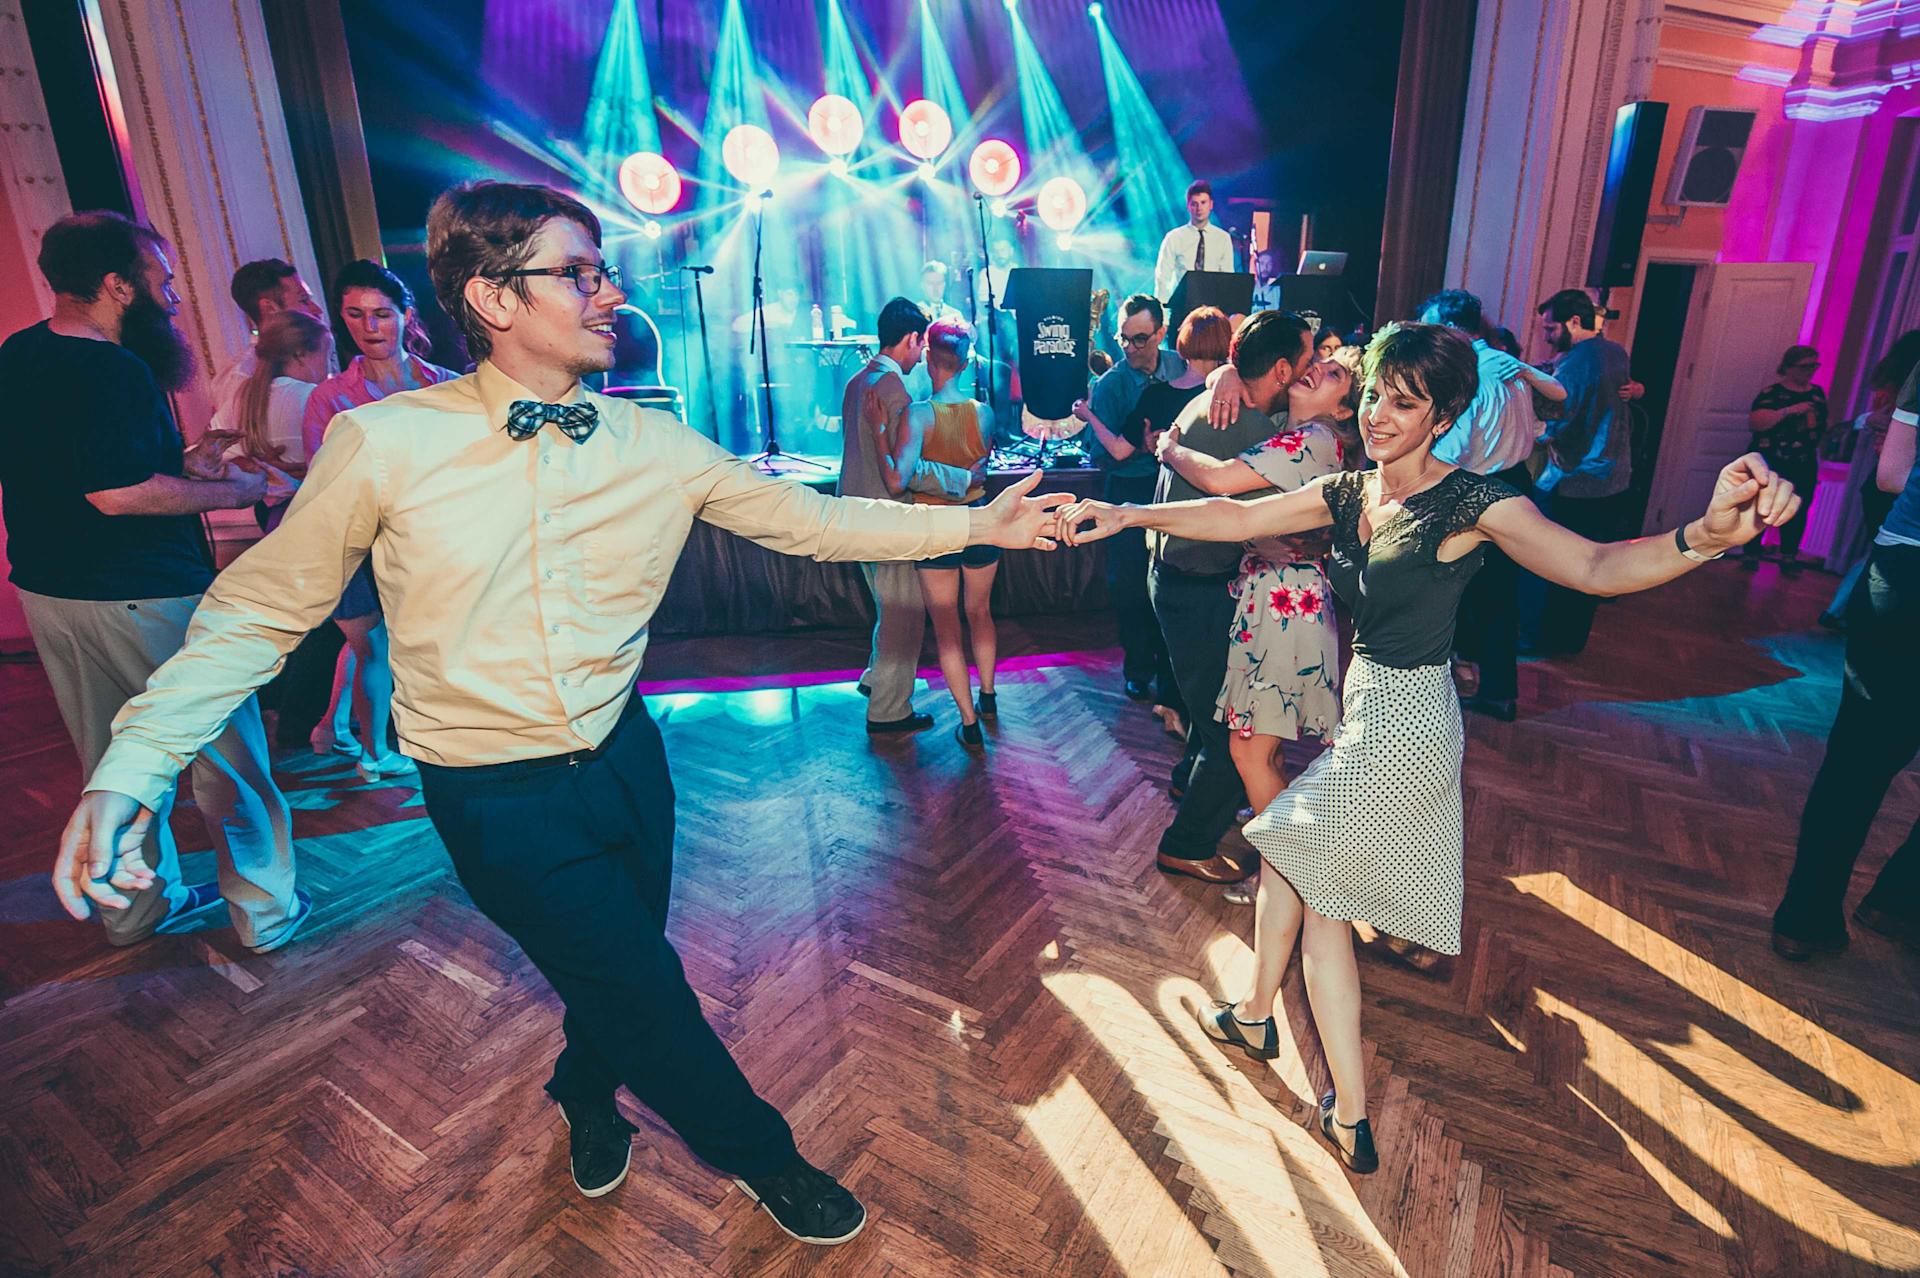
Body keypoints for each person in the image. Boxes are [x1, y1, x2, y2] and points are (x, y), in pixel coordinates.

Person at [55, 180, 1067, 1245]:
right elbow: (258, 611)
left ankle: (584, 1090)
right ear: (493, 297)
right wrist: (133, 769)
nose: (609, 292)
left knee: (614, 969)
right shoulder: (386, 444)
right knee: (646, 986)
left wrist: (980, 527)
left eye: (601, 270)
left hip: (629, 764)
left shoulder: (654, 445)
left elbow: (814, 524)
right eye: (578, 273)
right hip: (493, 797)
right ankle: (766, 1157)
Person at [1057, 320, 1799, 1175]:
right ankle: (1257, 1015)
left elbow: (1594, 567)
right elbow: (1238, 514)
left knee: (1320, 900)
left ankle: (1349, 1112)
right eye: (1375, 394)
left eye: (1404, 405)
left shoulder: (1472, 502)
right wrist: (1126, 512)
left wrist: (1705, 536)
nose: (1378, 414)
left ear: (1443, 416)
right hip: (1368, 711)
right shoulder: (1350, 491)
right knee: (1290, 857)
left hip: (1407, 728)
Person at [4, 211, 306, 953]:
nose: (171, 297)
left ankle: (134, 910)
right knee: (228, 758)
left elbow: (80, 466)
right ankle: (266, 914)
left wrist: (184, 461)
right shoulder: (114, 368)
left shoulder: (21, 351)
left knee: (110, 759)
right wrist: (235, 491)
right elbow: (116, 493)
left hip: (49, 592)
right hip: (144, 594)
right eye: (161, 282)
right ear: (118, 285)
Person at [1157, 343, 1362, 905]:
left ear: (1344, 408)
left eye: (1333, 374)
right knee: (1262, 751)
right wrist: (1227, 370)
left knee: (1250, 751)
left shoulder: (1312, 439)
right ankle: (1291, 871)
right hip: (1276, 600)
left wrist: (1169, 448)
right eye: (1317, 363)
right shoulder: (1288, 430)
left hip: (1283, 605)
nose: (1315, 370)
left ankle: (1296, 878)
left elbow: (1221, 482)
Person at [1150, 311, 1318, 886]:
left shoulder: (1227, 401)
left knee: (1210, 709)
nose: (1315, 367)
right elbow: (1229, 502)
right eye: (1308, 359)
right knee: (1230, 734)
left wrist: (1222, 373)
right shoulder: (1248, 425)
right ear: (1281, 370)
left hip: (1183, 580)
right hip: (1195, 587)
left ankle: (1189, 783)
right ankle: (1186, 844)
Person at [1772, 360, 1920, 960]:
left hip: (1903, 569)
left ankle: (1804, 920)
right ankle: (1898, 902)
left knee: (1857, 758)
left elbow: (1891, 475)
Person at [303, 260, 461, 777]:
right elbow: (325, 483)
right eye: (355, 315)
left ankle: (439, 740)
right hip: (361, 544)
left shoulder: (446, 386)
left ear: (405, 315)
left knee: (433, 646)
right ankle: (376, 751)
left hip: (435, 544)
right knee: (371, 647)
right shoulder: (330, 398)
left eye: (381, 314)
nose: (369, 327)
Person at [1419, 289, 1567, 720]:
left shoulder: (1470, 373)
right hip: (1515, 482)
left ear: (1451, 326)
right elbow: (1537, 426)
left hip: (1478, 488)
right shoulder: (1507, 366)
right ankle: (1497, 689)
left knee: (1459, 590)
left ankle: (1452, 685)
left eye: (1431, 328)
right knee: (1500, 594)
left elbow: (1457, 448)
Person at [839, 297, 978, 735]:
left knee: (888, 606)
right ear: (912, 338)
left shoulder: (858, 381)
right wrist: (963, 478)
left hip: (853, 510)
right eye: (921, 346)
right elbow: (906, 471)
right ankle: (889, 710)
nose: (922, 356)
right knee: (904, 613)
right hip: (885, 515)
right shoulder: (893, 390)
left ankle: (876, 679)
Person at [1072, 294, 1189, 704]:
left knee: (1171, 580)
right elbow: (1100, 456)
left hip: (1174, 487)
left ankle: (1172, 669)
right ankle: (1138, 669)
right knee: (1130, 584)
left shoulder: (1182, 368)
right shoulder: (1111, 384)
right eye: (1124, 338)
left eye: (1140, 338)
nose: (1130, 348)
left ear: (1161, 333)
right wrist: (1140, 447)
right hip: (1128, 490)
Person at [900, 319, 999, 749]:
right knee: (980, 612)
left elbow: (904, 476)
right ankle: (988, 696)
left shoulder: (918, 415)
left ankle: (969, 723)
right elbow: (982, 467)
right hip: (978, 519)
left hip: (936, 525)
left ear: (928, 358)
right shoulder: (983, 413)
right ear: (964, 364)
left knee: (946, 627)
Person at [1524, 288, 1640, 655]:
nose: (1546, 336)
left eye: (1550, 328)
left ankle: (1547, 642)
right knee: (1592, 564)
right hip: (1614, 478)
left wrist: (1526, 429)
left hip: (1579, 481)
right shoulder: (1615, 351)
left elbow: (1558, 422)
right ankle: (1571, 642)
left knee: (1560, 565)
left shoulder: (1577, 363)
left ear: (1574, 322)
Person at [1824, 332, 1920, 626]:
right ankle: (1839, 612)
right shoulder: (1905, 391)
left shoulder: (1899, 387)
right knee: (1878, 555)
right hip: (1894, 489)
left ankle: (1837, 611)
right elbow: (1877, 422)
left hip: (1888, 486)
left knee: (1876, 554)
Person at [207, 309, 332, 527]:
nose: (331, 366)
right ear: (300, 355)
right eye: (328, 356)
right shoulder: (314, 398)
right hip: (322, 515)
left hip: (275, 521)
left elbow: (204, 457)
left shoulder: (240, 400)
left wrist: (254, 464)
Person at [1741, 344, 1828, 574]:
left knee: (1798, 508)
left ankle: (1788, 556)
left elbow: (1821, 426)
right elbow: (1755, 423)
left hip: (1803, 461)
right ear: (1788, 367)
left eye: (1814, 366)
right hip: (1771, 459)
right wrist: (1789, 411)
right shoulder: (1771, 393)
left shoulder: (1817, 394)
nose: (1810, 371)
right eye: (1804, 366)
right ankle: (1751, 553)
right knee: (1760, 505)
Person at [210, 258, 324, 419]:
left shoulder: (315, 354)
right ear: (270, 308)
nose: (317, 310)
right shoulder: (241, 377)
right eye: (304, 300)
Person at [1154, 179, 1236, 302]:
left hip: (1212, 305)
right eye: (1194, 204)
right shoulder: (1174, 237)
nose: (1199, 208)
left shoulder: (1223, 238)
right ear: (1188, 206)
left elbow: (1227, 277)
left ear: (1211, 205)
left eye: (1203, 202)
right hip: (1181, 303)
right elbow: (1162, 277)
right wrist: (1162, 310)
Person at [918, 260, 962, 325]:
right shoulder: (915, 313)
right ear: (922, 286)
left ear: (944, 285)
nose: (935, 288)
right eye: (930, 283)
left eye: (939, 283)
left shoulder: (955, 315)